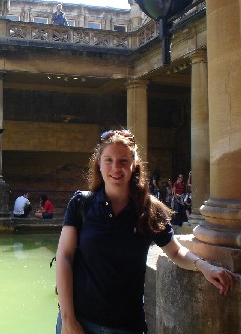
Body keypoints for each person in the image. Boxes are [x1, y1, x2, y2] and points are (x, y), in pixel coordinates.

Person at [55, 129, 236, 334]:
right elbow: (64, 257)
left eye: (123, 161)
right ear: (99, 163)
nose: (116, 168)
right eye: (109, 160)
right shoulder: (81, 203)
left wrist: (204, 266)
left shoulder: (149, 210)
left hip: (125, 326)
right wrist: (69, 320)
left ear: (134, 165)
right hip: (79, 321)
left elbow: (175, 251)